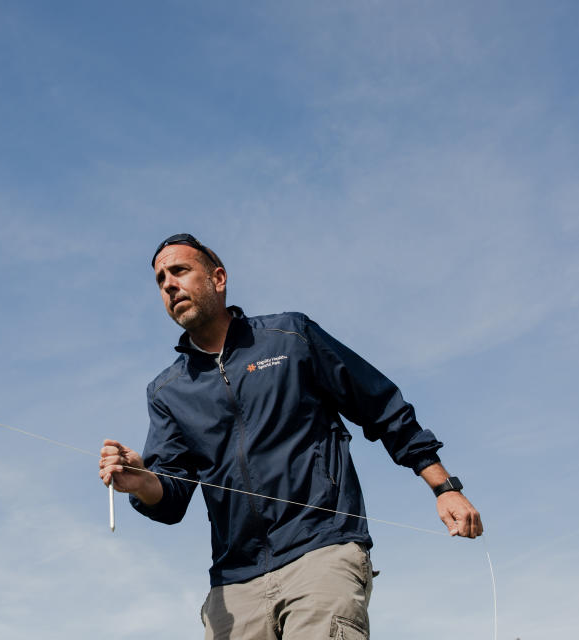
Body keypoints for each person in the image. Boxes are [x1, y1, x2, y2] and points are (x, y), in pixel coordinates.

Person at [98, 233, 483, 640]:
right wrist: (141, 483)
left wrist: (444, 486)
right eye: (160, 280)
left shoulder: (291, 336)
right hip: (234, 582)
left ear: (218, 278)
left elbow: (380, 406)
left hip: (321, 550)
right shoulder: (167, 391)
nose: (169, 285)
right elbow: (171, 498)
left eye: (179, 271)